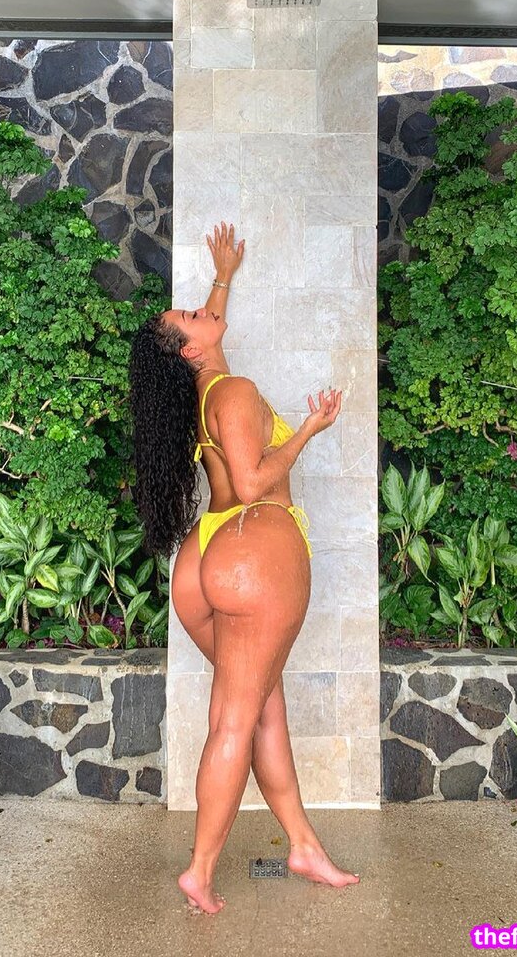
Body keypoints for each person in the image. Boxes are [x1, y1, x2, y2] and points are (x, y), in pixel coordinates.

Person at [128, 221, 359, 915]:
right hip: (253, 553)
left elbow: (202, 330)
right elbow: (255, 482)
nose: (202, 309)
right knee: (235, 719)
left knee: (260, 709)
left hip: (204, 560)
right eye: (192, 315)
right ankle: (199, 870)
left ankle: (303, 846)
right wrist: (309, 430)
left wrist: (223, 276)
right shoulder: (232, 391)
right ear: (191, 349)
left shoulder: (201, 388)